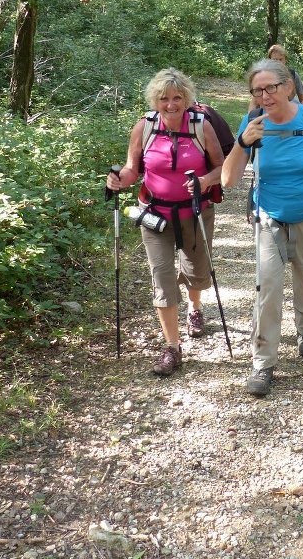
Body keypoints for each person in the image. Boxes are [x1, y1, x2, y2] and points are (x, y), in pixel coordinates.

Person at [221, 59, 303, 396]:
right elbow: (228, 179)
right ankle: (263, 363)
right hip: (268, 217)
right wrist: (242, 143)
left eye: (270, 88)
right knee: (267, 288)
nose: (264, 95)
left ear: (288, 87)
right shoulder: (251, 123)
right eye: (257, 90)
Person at [105, 68, 225, 377]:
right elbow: (133, 169)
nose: (170, 104)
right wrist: (119, 179)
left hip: (196, 213)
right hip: (154, 215)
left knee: (197, 272)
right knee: (162, 276)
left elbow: (221, 168)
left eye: (177, 98)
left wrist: (203, 181)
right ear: (154, 100)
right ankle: (172, 347)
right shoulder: (144, 127)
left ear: (186, 98)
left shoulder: (201, 127)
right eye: (164, 99)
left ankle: (195, 307)